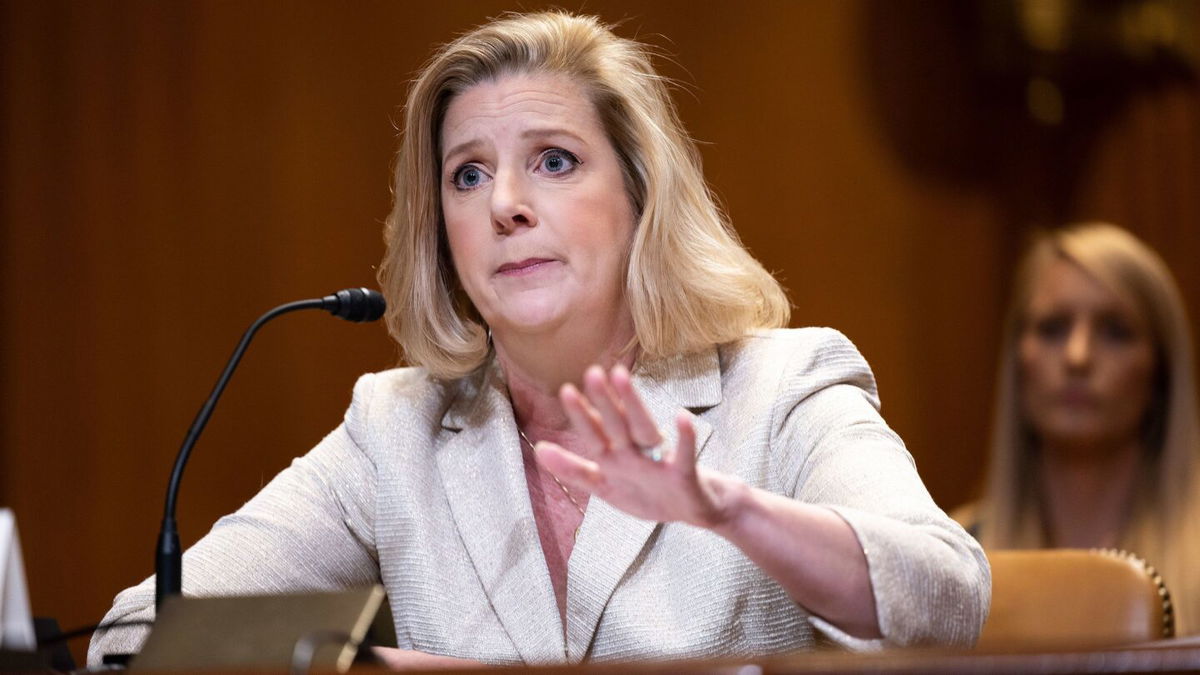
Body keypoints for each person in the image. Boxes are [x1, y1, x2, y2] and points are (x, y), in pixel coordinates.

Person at [89, 12, 988, 667]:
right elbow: (136, 640)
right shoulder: (394, 430)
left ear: (640, 197)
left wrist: (731, 510)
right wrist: (355, 665)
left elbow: (947, 600)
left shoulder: (782, 385)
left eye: (553, 160)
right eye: (467, 174)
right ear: (442, 226)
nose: (504, 204)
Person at [957, 222, 1200, 635]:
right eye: (1053, 328)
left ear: (1160, 374)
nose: (1077, 356)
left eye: (1115, 331)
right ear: (1018, 361)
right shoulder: (953, 555)